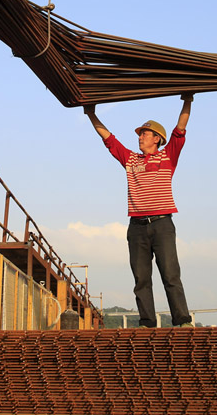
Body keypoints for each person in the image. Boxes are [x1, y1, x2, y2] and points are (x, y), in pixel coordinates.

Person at [83, 94, 195, 328]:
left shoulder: (168, 156)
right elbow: (110, 140)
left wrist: (188, 100)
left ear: (157, 139)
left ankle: (182, 321)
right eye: (140, 134)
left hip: (162, 224)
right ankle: (147, 322)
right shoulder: (131, 160)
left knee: (170, 275)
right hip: (136, 227)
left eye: (144, 133)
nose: (140, 137)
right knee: (141, 278)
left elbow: (180, 128)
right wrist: (91, 114)